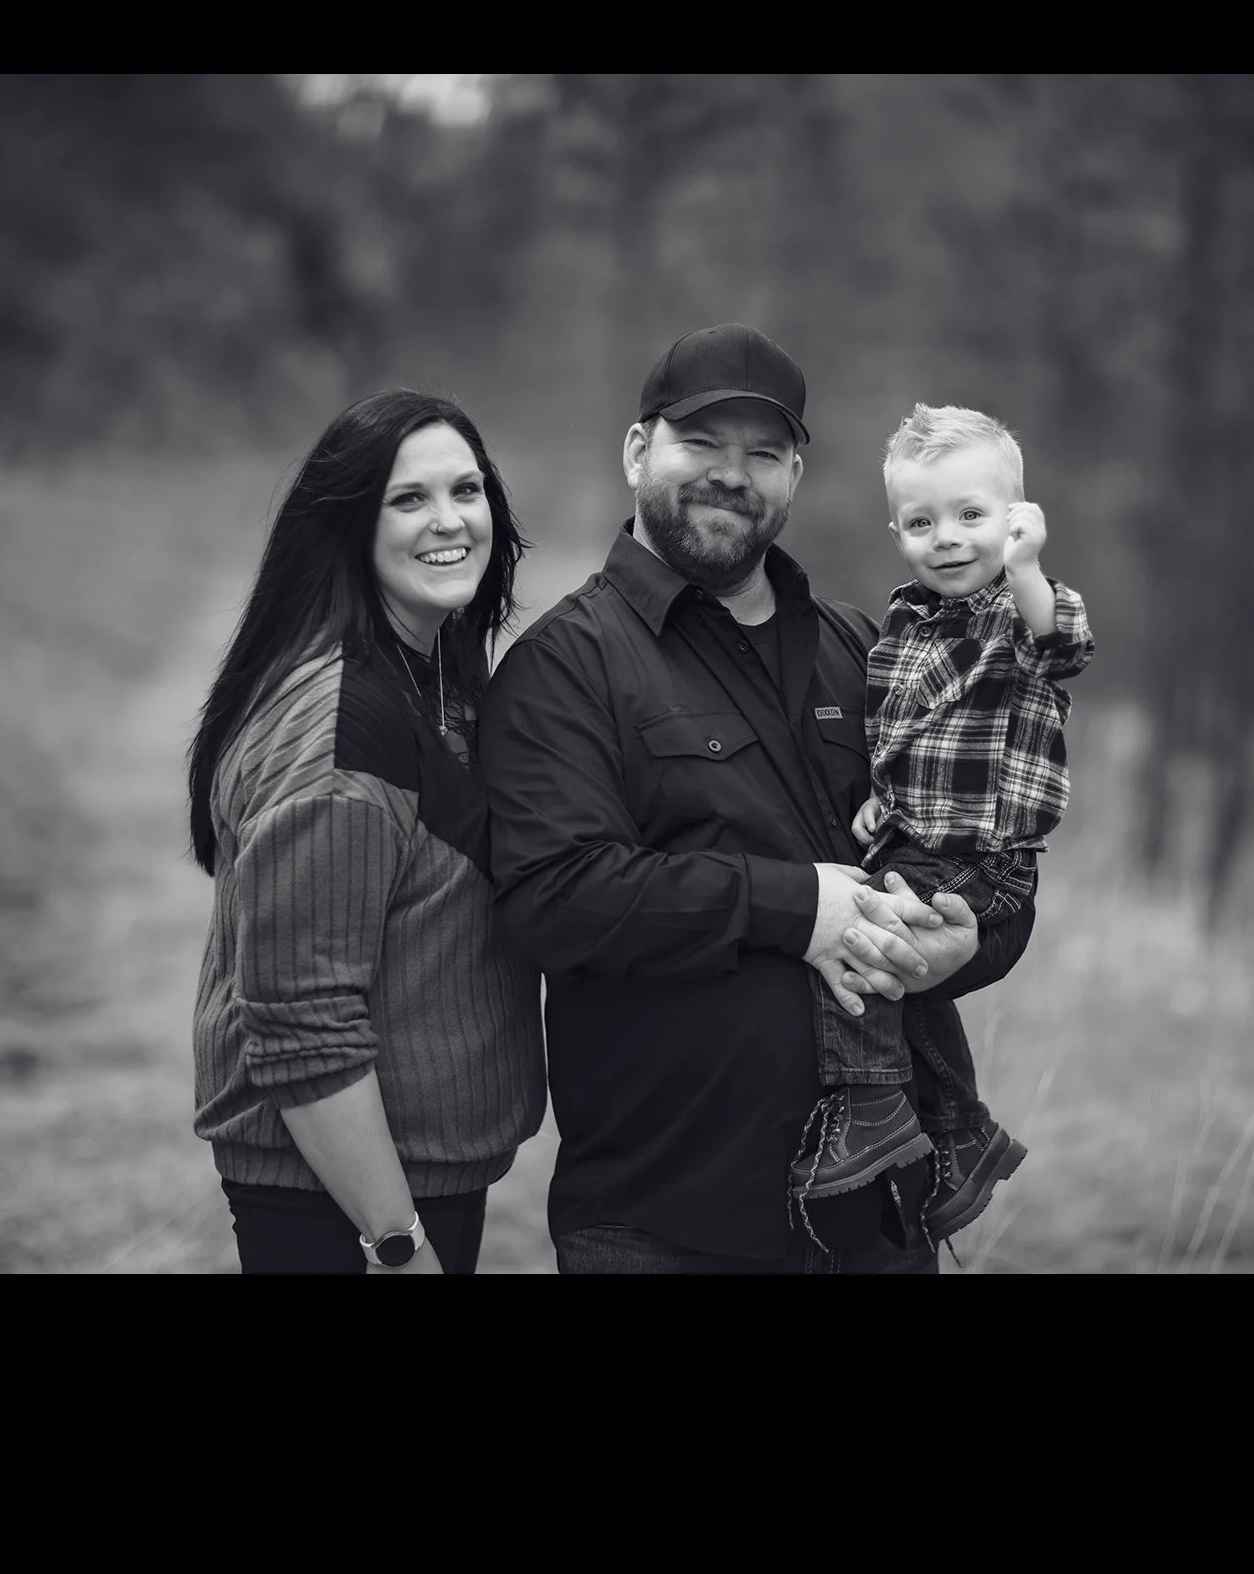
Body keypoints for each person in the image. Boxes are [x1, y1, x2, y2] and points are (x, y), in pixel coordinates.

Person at [480, 323, 1034, 1274]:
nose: (732, 476)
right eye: (702, 445)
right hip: (666, 1222)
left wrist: (960, 944)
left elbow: (986, 852)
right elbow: (554, 899)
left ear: (795, 478)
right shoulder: (563, 667)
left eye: (764, 455)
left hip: (880, 1221)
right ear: (637, 451)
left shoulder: (868, 650)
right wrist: (800, 906)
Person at [187, 390, 545, 1274]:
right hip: (336, 1199)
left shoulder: (435, 674)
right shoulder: (341, 738)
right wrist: (395, 1244)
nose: (450, 520)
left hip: (407, 1177)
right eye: (408, 498)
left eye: (467, 490)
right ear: (349, 526)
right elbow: (304, 1025)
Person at [798, 402, 1094, 1239]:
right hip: (918, 837)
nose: (950, 537)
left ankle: (870, 1111)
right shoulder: (902, 628)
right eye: (923, 521)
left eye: (973, 516)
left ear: (1016, 520)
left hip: (985, 856)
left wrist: (1030, 569)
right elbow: (904, 734)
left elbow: (1061, 644)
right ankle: (961, 1137)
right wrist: (880, 801)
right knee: (912, 983)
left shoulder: (1015, 612)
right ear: (898, 532)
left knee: (861, 938)